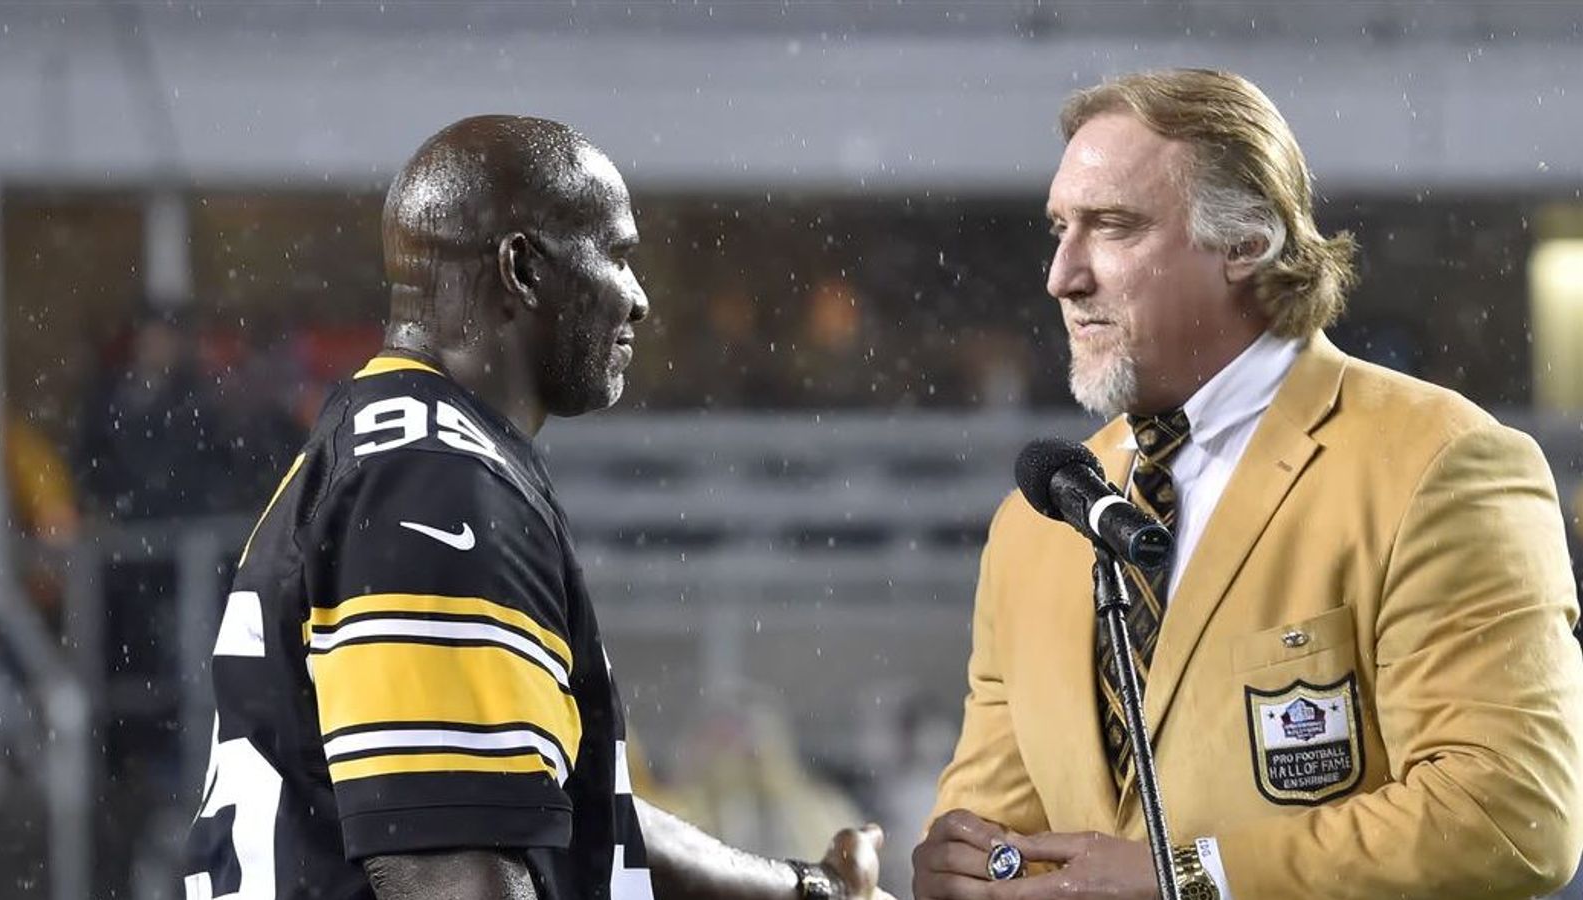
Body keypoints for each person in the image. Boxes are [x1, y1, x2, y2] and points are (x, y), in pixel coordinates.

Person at [182, 116, 895, 900]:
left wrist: (810, 889)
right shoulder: (433, 481)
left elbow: (564, 818)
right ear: (522, 267)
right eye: (618, 257)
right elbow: (454, 869)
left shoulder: (406, 446)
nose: (641, 300)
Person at [913, 69, 1583, 900]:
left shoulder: (1443, 464)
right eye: (1059, 230)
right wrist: (969, 868)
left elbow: (1510, 815)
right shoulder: (1040, 518)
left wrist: (1188, 877)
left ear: (1246, 243)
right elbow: (1006, 835)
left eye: (1112, 227)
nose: (1062, 275)